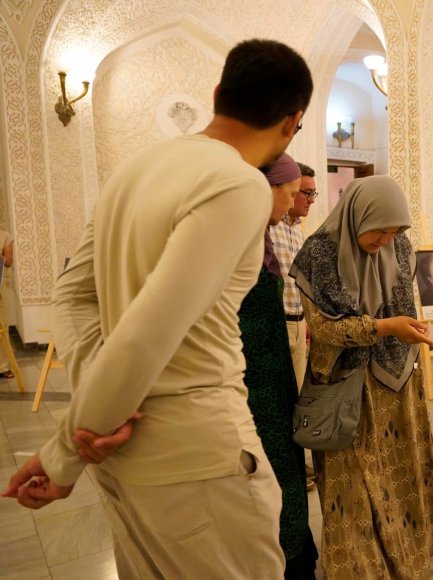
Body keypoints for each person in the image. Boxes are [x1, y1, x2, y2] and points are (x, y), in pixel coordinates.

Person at [2, 39, 313, 578]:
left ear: (218, 94)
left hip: (124, 456)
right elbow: (146, 335)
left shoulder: (135, 168)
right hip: (197, 457)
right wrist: (67, 452)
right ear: (293, 122)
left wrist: (94, 420)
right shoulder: (241, 184)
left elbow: (72, 296)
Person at [290, 176, 433, 578]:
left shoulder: (401, 247)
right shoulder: (318, 255)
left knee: (398, 477)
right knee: (353, 489)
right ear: (358, 215)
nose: (385, 241)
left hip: (397, 387)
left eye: (394, 232)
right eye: (379, 230)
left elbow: (402, 305)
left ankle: (402, 559)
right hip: (347, 391)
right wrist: (385, 327)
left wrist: (402, 331)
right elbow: (324, 329)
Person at [239, 154, 317, 578]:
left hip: (272, 369)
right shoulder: (241, 240)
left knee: (283, 460)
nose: (293, 205)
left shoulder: (271, 235)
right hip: (252, 377)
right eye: (290, 195)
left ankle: (293, 552)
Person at [271, 161, 317, 390]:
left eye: (314, 193)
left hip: (298, 324)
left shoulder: (298, 231)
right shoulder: (268, 225)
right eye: (307, 193)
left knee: (297, 391)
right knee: (277, 392)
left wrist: (306, 320)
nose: (312, 200)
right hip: (276, 324)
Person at [0, 227, 13, 379]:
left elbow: (9, 262)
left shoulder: (5, 236)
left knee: (2, 326)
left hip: (0, 288)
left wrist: (1, 258)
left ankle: (3, 367)